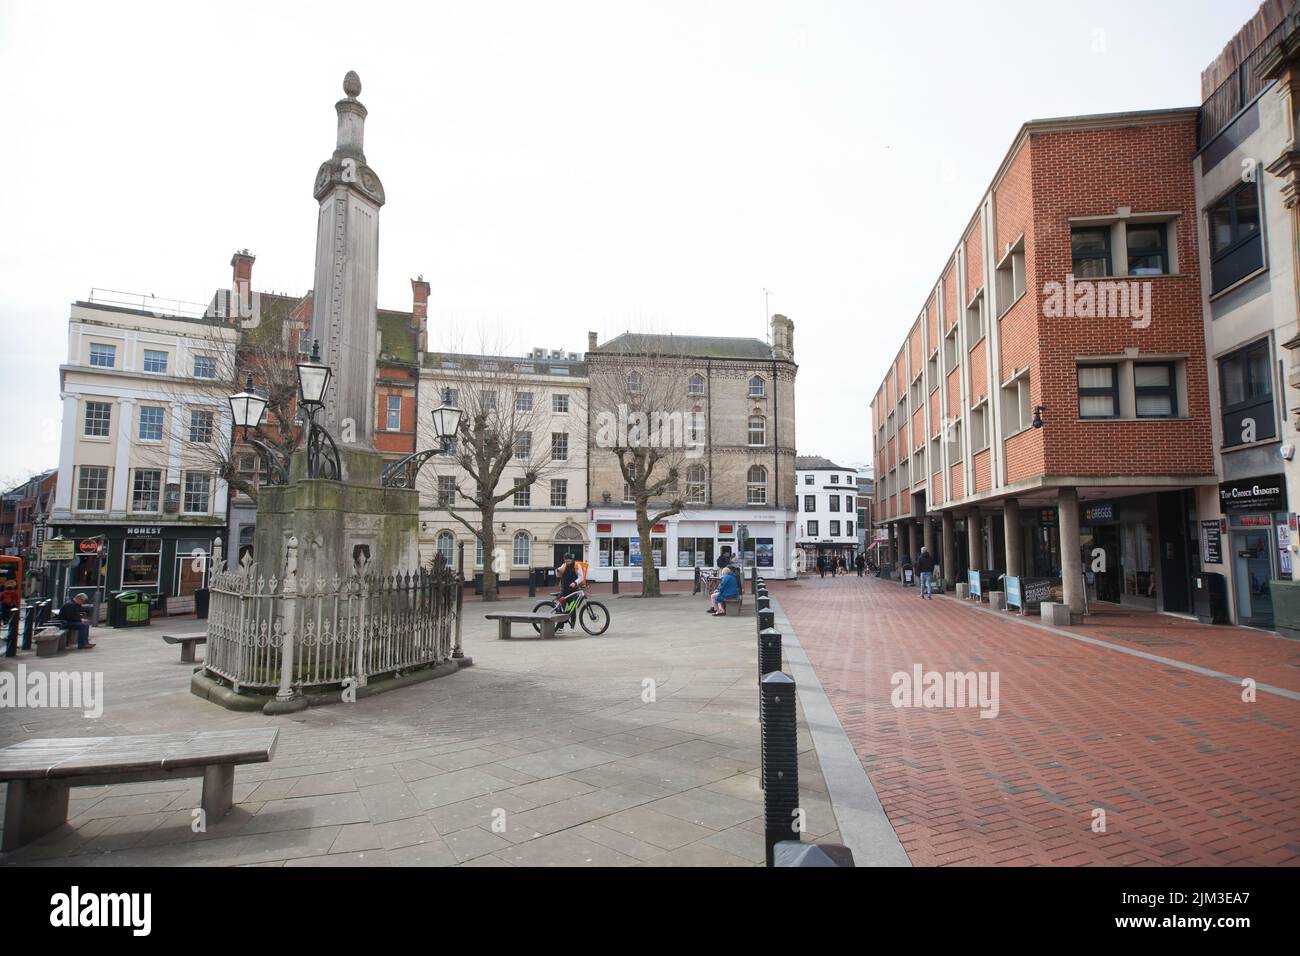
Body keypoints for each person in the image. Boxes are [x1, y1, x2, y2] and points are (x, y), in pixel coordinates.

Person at [554, 553, 584, 630]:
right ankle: (560, 626)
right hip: (564, 590)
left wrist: (575, 583)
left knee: (572, 608)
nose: (567, 562)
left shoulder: (577, 566)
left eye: (569, 560)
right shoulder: (563, 566)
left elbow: (581, 577)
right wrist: (557, 571)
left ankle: (572, 624)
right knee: (562, 608)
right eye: (566, 560)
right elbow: (557, 575)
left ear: (572, 560)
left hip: (573, 590)